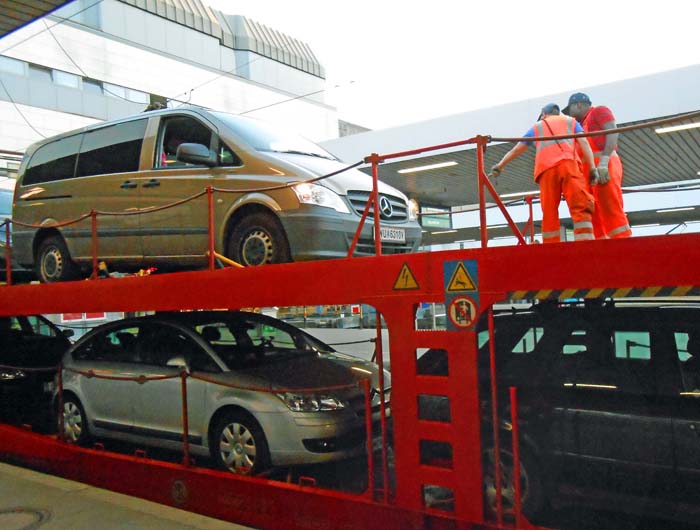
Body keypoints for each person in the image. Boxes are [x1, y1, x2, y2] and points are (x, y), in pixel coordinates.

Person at [491, 103, 598, 243]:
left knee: (549, 211)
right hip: (569, 166)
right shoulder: (571, 122)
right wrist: (592, 168)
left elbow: (517, 149)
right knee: (580, 205)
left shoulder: (538, 126)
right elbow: (584, 143)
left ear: (543, 114)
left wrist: (500, 165)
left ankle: (551, 246)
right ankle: (586, 242)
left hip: (547, 171)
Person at [564, 93, 632, 239]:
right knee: (593, 211)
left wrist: (604, 162)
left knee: (610, 207)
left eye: (570, 110)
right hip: (590, 173)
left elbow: (612, 131)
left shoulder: (599, 111)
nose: (570, 115)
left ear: (579, 105)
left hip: (604, 166)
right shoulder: (580, 127)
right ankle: (602, 245)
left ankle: (623, 243)